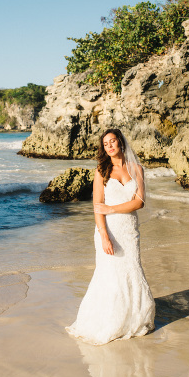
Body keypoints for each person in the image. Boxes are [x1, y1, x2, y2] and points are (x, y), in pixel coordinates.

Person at [66, 128, 155, 345]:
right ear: (103, 149)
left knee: (132, 269)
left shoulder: (137, 169)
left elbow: (140, 202)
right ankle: (110, 319)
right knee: (110, 274)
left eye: (113, 141)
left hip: (129, 230)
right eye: (106, 144)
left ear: (121, 143)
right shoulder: (101, 171)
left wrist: (112, 209)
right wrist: (104, 236)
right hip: (109, 230)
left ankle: (134, 319)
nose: (110, 146)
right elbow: (98, 208)